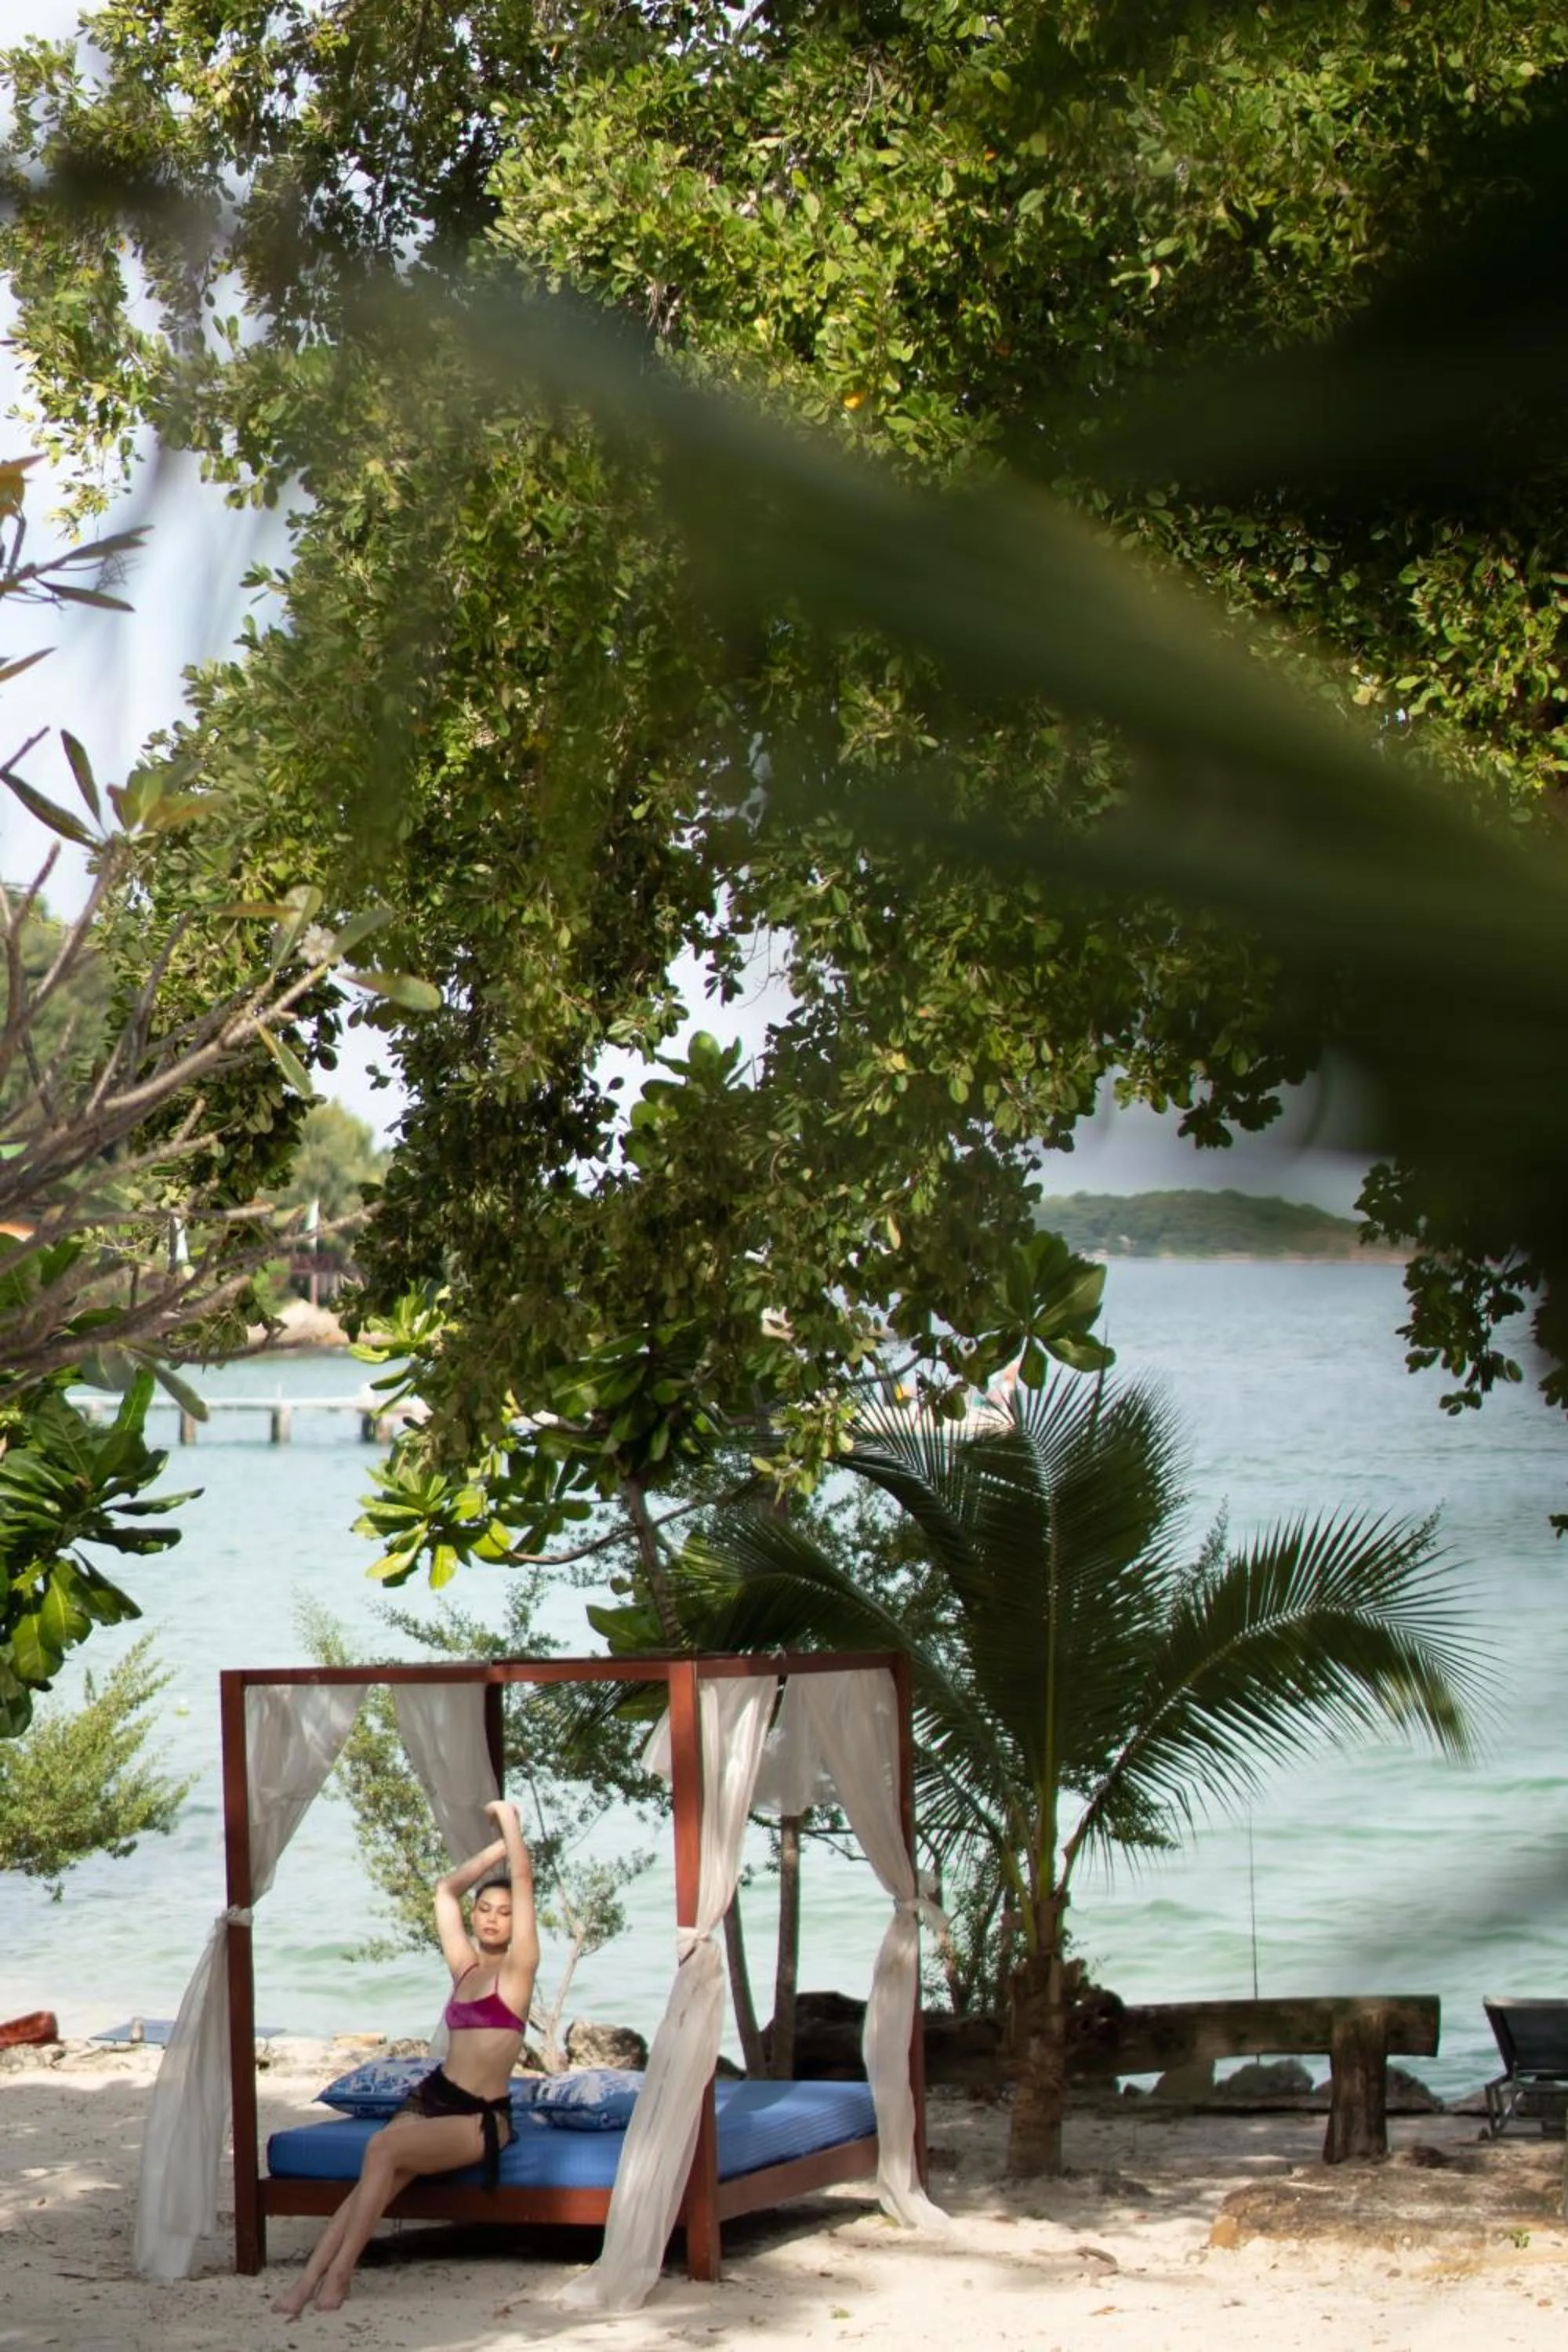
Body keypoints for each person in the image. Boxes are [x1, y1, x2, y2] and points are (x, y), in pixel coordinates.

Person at [272, 1797, 539, 2317]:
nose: (491, 1919)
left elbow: (524, 1884)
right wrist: (498, 1848)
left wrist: (510, 1821)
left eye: (504, 1914)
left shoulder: (518, 1973)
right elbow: (445, 1891)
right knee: (379, 2173)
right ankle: (308, 2281)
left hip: (479, 2117)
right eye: (485, 1910)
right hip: (434, 2094)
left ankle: (341, 2274)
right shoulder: (465, 1970)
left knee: (381, 2151)